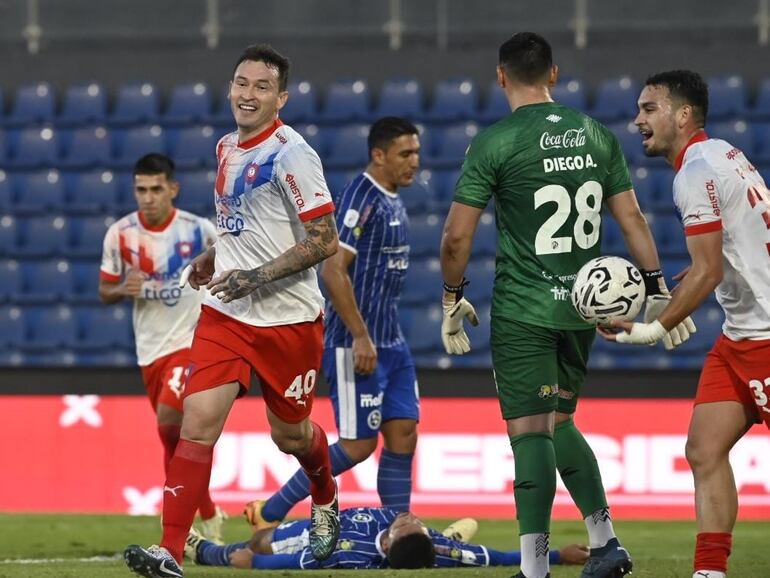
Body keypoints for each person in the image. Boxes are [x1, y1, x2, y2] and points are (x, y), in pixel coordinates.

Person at [438, 33, 696, 578]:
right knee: (559, 422)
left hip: (524, 309)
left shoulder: (495, 142)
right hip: (584, 309)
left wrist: (451, 297)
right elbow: (632, 219)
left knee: (530, 432)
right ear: (554, 75)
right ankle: (605, 543)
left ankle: (534, 569)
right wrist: (657, 289)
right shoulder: (595, 134)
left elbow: (456, 239)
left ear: (501, 76)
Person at [124, 44, 341, 578]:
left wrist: (256, 276)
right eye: (241, 83)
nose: (248, 94)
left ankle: (325, 491)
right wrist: (212, 256)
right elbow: (242, 227)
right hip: (227, 314)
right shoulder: (226, 147)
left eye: (261, 87)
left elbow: (325, 240)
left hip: (288, 320)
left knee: (290, 436)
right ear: (230, 88)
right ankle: (170, 552)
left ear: (280, 97)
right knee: (197, 424)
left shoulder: (292, 154)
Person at [599, 70, 770, 578]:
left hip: (764, 335)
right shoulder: (724, 154)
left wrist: (652, 326)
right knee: (703, 448)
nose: (637, 121)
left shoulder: (694, 172)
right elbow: (730, 247)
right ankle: (709, 572)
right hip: (739, 337)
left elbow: (709, 268)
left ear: (683, 114)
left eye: (649, 109)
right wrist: (702, 278)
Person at [244, 116, 421, 530]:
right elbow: (333, 270)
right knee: (359, 445)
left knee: (404, 435)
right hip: (354, 343)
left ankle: (400, 528)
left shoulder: (393, 196)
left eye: (416, 152)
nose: (415, 161)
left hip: (391, 342)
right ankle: (269, 511)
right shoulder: (362, 194)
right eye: (405, 154)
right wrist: (360, 336)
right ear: (379, 156)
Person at [98, 153, 225, 542]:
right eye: (141, 190)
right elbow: (105, 290)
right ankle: (207, 512)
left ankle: (179, 527)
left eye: (156, 189)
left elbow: (231, 264)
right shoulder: (120, 234)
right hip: (150, 351)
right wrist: (122, 289)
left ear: (173, 189)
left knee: (171, 423)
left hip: (191, 341)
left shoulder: (200, 230)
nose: (147, 197)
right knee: (173, 437)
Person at [185, 506, 590, 570]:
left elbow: (297, 563)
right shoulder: (435, 548)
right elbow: (493, 557)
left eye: (406, 523)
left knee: (258, 543)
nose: (410, 516)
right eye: (417, 522)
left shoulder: (349, 553)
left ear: (389, 541)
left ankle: (202, 550)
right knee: (458, 545)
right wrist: (556, 554)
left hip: (316, 536)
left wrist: (256, 563)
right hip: (335, 519)